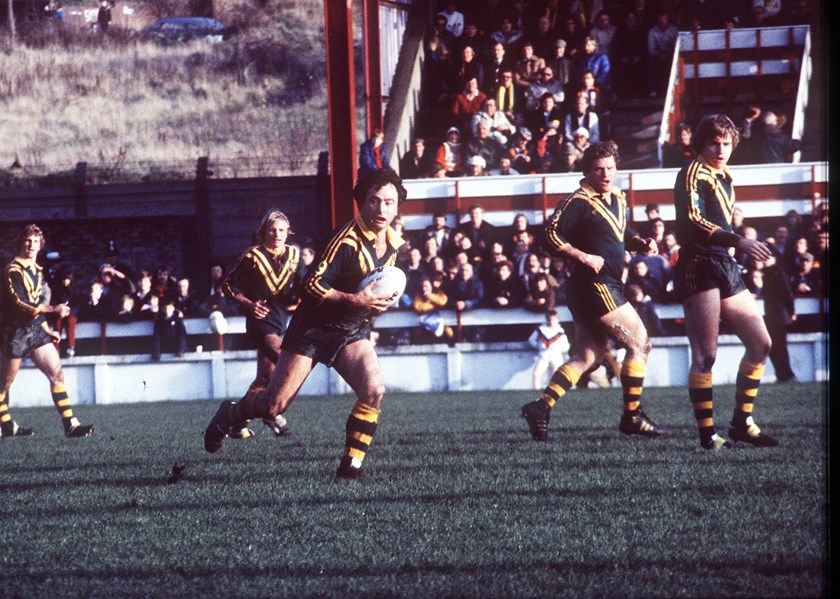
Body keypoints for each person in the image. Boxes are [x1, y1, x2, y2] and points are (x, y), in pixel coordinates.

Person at [204, 168, 407, 481]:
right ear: (361, 203)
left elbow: (373, 287)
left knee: (373, 390)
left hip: (350, 331)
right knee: (273, 406)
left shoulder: (394, 243)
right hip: (312, 327)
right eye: (374, 201)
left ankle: (349, 469)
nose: (382, 210)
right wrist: (356, 301)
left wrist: (373, 305)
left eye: (389, 203)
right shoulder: (345, 240)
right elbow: (311, 284)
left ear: (397, 206)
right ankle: (227, 416)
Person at [521, 141, 667, 442]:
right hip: (595, 285)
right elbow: (549, 235)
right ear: (587, 170)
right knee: (640, 344)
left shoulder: (617, 197)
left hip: (603, 285)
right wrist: (582, 256)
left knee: (589, 355)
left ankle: (541, 407)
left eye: (611, 168)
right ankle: (632, 416)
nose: (606, 174)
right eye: (599, 169)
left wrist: (640, 242)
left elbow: (619, 233)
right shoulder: (578, 201)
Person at [673, 114, 778, 451]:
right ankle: (708, 437)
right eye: (714, 143)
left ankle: (741, 424)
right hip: (699, 263)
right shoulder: (692, 172)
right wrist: (740, 241)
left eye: (726, 143)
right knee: (706, 356)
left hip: (725, 263)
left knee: (761, 344)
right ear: (702, 144)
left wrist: (737, 246)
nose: (720, 149)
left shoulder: (726, 175)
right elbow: (692, 220)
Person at [0, 224, 94, 439]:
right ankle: (6, 424)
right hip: (15, 332)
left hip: (35, 330)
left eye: (35, 241)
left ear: (41, 245)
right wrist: (54, 309)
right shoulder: (13, 269)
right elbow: (20, 303)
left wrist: (46, 329)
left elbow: (35, 305)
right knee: (4, 384)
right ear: (20, 242)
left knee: (56, 373)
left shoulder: (37, 271)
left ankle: (70, 424)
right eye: (27, 240)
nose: (31, 245)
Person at [221, 209, 307, 439]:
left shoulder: (295, 256)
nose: (276, 234)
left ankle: (234, 419)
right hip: (260, 321)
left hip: (281, 319)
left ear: (288, 232)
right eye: (272, 229)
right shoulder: (252, 257)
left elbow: (304, 286)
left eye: (281, 230)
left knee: (265, 378)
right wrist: (249, 304)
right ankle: (273, 413)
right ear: (263, 232)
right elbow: (229, 286)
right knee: (284, 360)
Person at [528, 309, 570, 389]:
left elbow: (566, 346)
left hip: (556, 355)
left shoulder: (560, 331)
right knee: (536, 373)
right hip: (543, 355)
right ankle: (535, 391)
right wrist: (538, 346)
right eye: (549, 319)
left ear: (557, 320)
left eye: (554, 319)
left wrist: (557, 348)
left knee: (554, 376)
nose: (551, 321)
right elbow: (531, 340)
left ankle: (552, 393)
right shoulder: (541, 329)